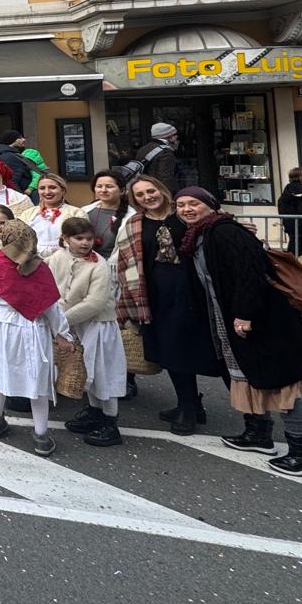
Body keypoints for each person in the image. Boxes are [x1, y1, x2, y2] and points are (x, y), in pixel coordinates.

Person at [177, 187, 302, 476]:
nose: (186, 209)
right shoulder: (199, 235)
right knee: (247, 375)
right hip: (234, 317)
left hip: (264, 320)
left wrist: (245, 314)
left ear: (210, 204)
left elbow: (250, 274)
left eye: (193, 203)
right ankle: (258, 434)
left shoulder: (225, 232)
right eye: (181, 205)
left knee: (280, 383)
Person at [115, 174, 222, 435]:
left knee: (187, 349)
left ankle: (192, 408)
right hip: (154, 293)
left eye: (150, 191)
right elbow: (125, 261)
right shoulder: (136, 223)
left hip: (190, 291)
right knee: (169, 352)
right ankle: (189, 404)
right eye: (140, 195)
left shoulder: (184, 214)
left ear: (161, 190)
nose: (147, 197)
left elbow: (216, 231)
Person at [0, 218, 72, 457]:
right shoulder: (40, 268)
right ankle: (41, 435)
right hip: (31, 327)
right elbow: (51, 307)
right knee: (37, 378)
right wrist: (63, 334)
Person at [52, 217, 127, 447]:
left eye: (88, 238)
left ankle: (110, 421)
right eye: (78, 238)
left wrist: (61, 320)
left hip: (98, 324)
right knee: (86, 370)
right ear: (65, 239)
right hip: (76, 325)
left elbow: (95, 303)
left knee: (103, 371)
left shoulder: (98, 265)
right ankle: (94, 412)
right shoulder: (58, 257)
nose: (85, 243)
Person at [28, 173, 84, 255]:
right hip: (33, 262)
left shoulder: (77, 213)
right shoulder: (28, 214)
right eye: (42, 188)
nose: (47, 192)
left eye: (52, 187)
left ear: (63, 190)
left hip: (64, 260)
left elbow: (80, 240)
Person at [81, 170, 130, 258]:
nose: (103, 190)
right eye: (99, 186)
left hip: (115, 266)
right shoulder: (84, 212)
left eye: (109, 186)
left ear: (122, 190)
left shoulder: (131, 216)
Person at [133, 122, 181, 190]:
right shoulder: (166, 152)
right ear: (169, 136)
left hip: (144, 187)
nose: (176, 137)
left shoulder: (143, 149)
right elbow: (165, 178)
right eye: (174, 134)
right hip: (159, 190)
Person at [0, 130, 34, 195]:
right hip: (24, 193)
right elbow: (12, 181)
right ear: (12, 140)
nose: (24, 139)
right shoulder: (9, 157)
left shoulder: (7, 154)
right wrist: (21, 198)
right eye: (20, 138)